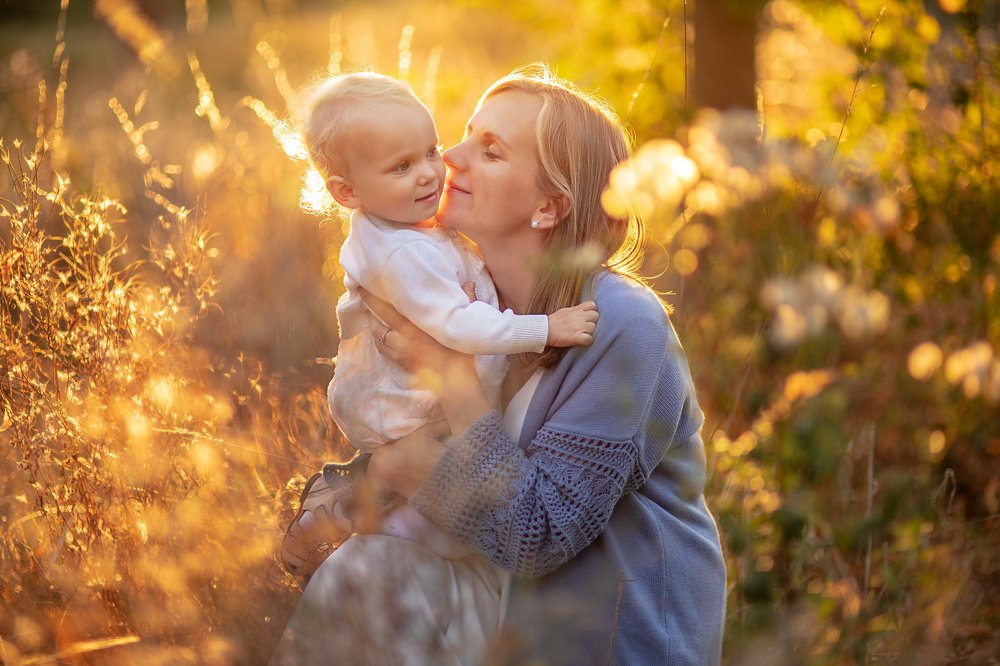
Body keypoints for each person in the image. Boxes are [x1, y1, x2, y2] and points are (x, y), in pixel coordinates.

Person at [272, 64, 726, 665]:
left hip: (609, 646)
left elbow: (537, 535)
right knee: (368, 569)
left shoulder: (620, 323)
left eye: (490, 152)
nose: (449, 159)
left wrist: (449, 386)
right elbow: (412, 455)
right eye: (463, 136)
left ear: (548, 207)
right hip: (508, 626)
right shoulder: (464, 298)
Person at [278, 71, 599, 575]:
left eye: (430, 150)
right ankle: (348, 509)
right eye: (402, 166)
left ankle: (350, 503)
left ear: (548, 206)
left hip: (420, 413)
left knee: (437, 520)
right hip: (409, 412)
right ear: (346, 191)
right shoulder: (404, 253)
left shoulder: (404, 228)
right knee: (440, 539)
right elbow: (458, 326)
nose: (440, 165)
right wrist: (545, 329)